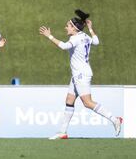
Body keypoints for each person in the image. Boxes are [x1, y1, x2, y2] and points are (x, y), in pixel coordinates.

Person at [38, 9, 123, 139]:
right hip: (79, 74)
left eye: (68, 25)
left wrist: (49, 36)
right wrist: (90, 28)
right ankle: (62, 132)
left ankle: (115, 119)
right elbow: (96, 41)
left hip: (81, 75)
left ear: (74, 28)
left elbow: (64, 46)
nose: (65, 27)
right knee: (69, 100)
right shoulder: (84, 36)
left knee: (87, 103)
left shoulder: (76, 38)